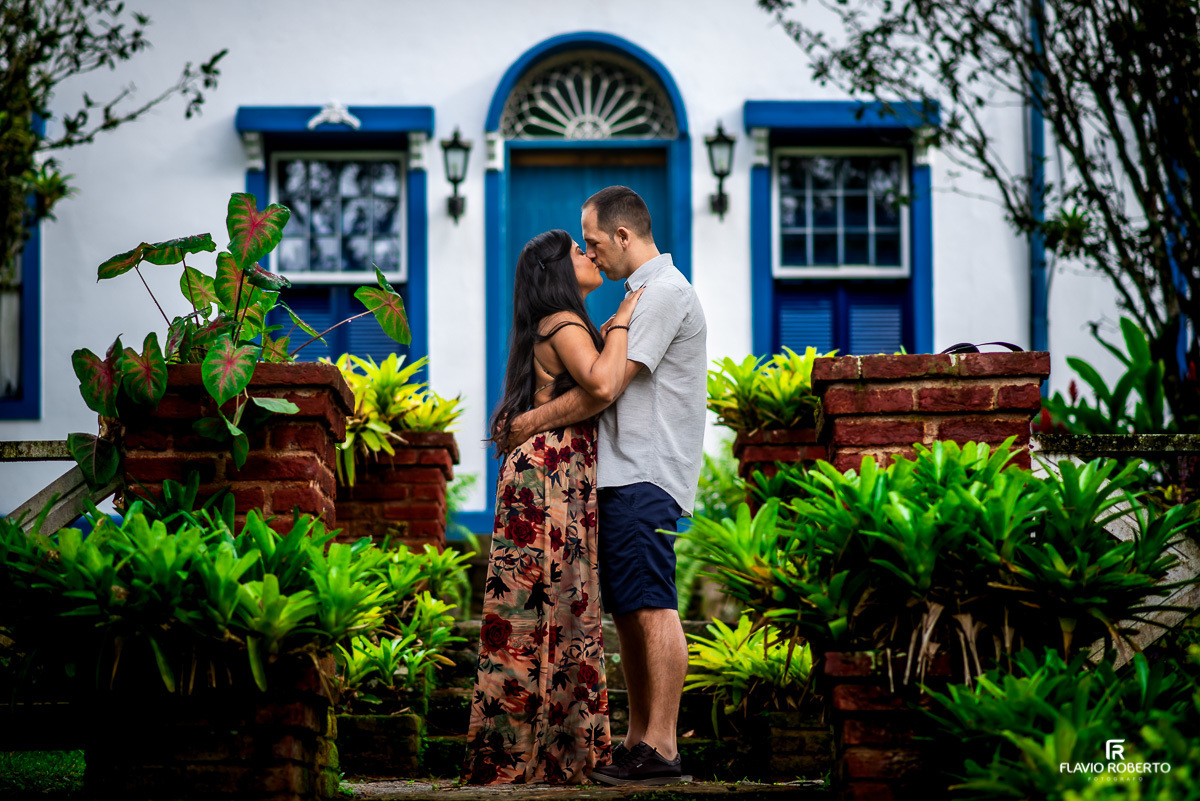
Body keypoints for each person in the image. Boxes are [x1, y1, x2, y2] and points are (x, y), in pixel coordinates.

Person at [505, 186, 707, 786]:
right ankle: (639, 741)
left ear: (623, 235)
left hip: (646, 472)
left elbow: (606, 386)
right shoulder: (636, 295)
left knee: (653, 605)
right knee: (631, 610)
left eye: (593, 242)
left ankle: (662, 747)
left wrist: (530, 423)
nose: (590, 252)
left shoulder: (662, 293)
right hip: (620, 475)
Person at [463, 228, 645, 785]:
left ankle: (528, 754)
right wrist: (622, 321)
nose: (589, 255)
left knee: (545, 610)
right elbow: (602, 385)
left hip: (548, 474)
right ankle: (555, 756)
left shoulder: (557, 323)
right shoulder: (564, 323)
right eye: (577, 251)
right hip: (548, 478)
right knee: (556, 606)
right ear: (558, 270)